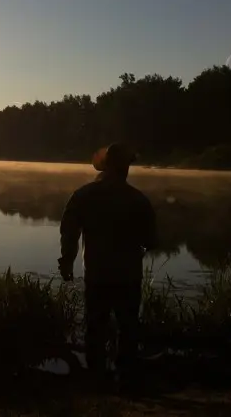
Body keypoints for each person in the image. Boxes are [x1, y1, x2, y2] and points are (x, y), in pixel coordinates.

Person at [57, 142, 157, 386]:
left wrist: (67, 262)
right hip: (129, 275)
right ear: (125, 168)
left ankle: (96, 378)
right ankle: (126, 378)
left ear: (105, 167)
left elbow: (69, 233)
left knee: (95, 327)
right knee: (128, 327)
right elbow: (151, 240)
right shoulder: (138, 200)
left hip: (97, 274)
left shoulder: (83, 195)